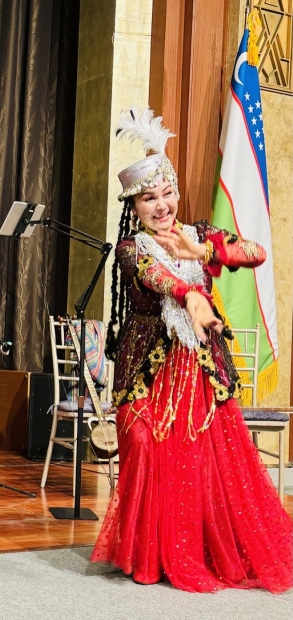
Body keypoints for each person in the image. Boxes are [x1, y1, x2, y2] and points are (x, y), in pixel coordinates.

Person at [91, 106, 293, 593]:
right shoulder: (129, 247)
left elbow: (256, 252)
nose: (161, 206)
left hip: (198, 372)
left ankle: (187, 550)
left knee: (197, 463)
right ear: (134, 206)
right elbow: (155, 276)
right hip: (147, 369)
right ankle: (145, 556)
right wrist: (192, 295)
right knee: (142, 445)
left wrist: (202, 254)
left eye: (167, 194)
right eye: (148, 199)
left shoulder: (199, 234)